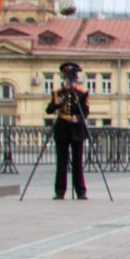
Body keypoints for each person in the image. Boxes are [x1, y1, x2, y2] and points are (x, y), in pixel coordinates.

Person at [46, 63, 90, 199]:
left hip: (77, 129)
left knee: (77, 162)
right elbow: (49, 110)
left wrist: (78, 116)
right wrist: (57, 103)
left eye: (72, 78)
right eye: (67, 78)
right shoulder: (58, 93)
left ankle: (81, 191)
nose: (69, 81)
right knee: (61, 162)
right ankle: (59, 191)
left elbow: (86, 111)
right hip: (62, 129)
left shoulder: (81, 93)